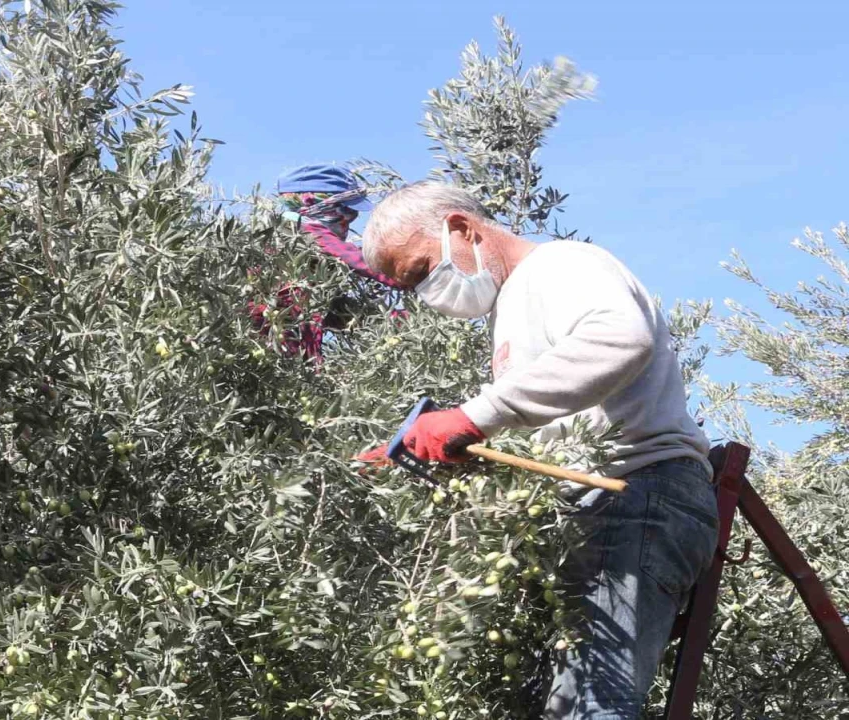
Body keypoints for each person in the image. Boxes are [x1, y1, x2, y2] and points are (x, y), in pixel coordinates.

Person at [355, 181, 718, 719]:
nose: (426, 291)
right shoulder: (515, 304)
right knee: (571, 706)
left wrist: (474, 416)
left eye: (421, 270)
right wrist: (437, 444)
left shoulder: (560, 265)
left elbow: (621, 338)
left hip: (637, 493)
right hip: (604, 510)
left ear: (461, 228)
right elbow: (552, 421)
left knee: (595, 706)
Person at [250, 163, 410, 361]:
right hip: (272, 350)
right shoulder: (302, 232)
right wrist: (416, 277)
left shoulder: (310, 258)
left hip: (295, 356)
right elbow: (363, 262)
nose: (351, 219)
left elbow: (340, 312)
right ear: (311, 201)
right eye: (346, 210)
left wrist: (405, 321)